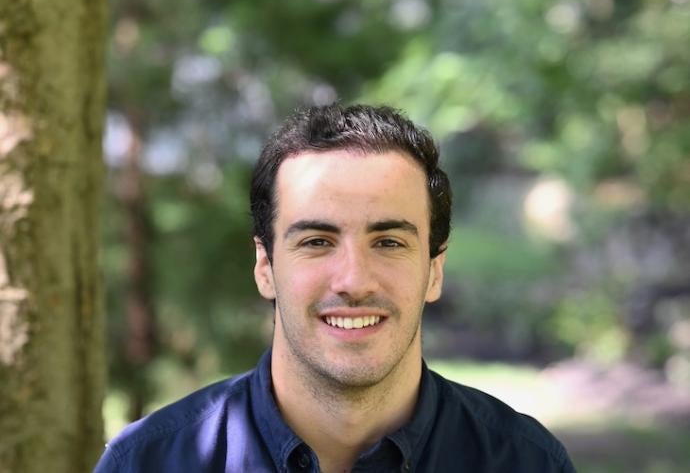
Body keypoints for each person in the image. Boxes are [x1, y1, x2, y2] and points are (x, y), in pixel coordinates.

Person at [94, 104, 576, 472]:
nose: (354, 281)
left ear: (434, 270)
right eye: (318, 241)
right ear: (265, 265)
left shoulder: (525, 462)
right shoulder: (148, 462)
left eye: (388, 242)